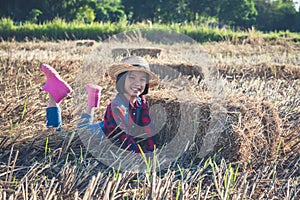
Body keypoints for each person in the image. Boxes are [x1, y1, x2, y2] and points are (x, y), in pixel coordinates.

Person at [42, 56, 159, 154]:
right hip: (92, 136)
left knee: (83, 127)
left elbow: (147, 127)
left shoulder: (141, 102)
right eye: (132, 77)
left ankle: (92, 101)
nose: (137, 83)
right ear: (121, 80)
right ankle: (54, 94)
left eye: (142, 79)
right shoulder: (117, 106)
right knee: (56, 137)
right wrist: (142, 155)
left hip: (100, 129)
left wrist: (153, 149)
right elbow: (123, 139)